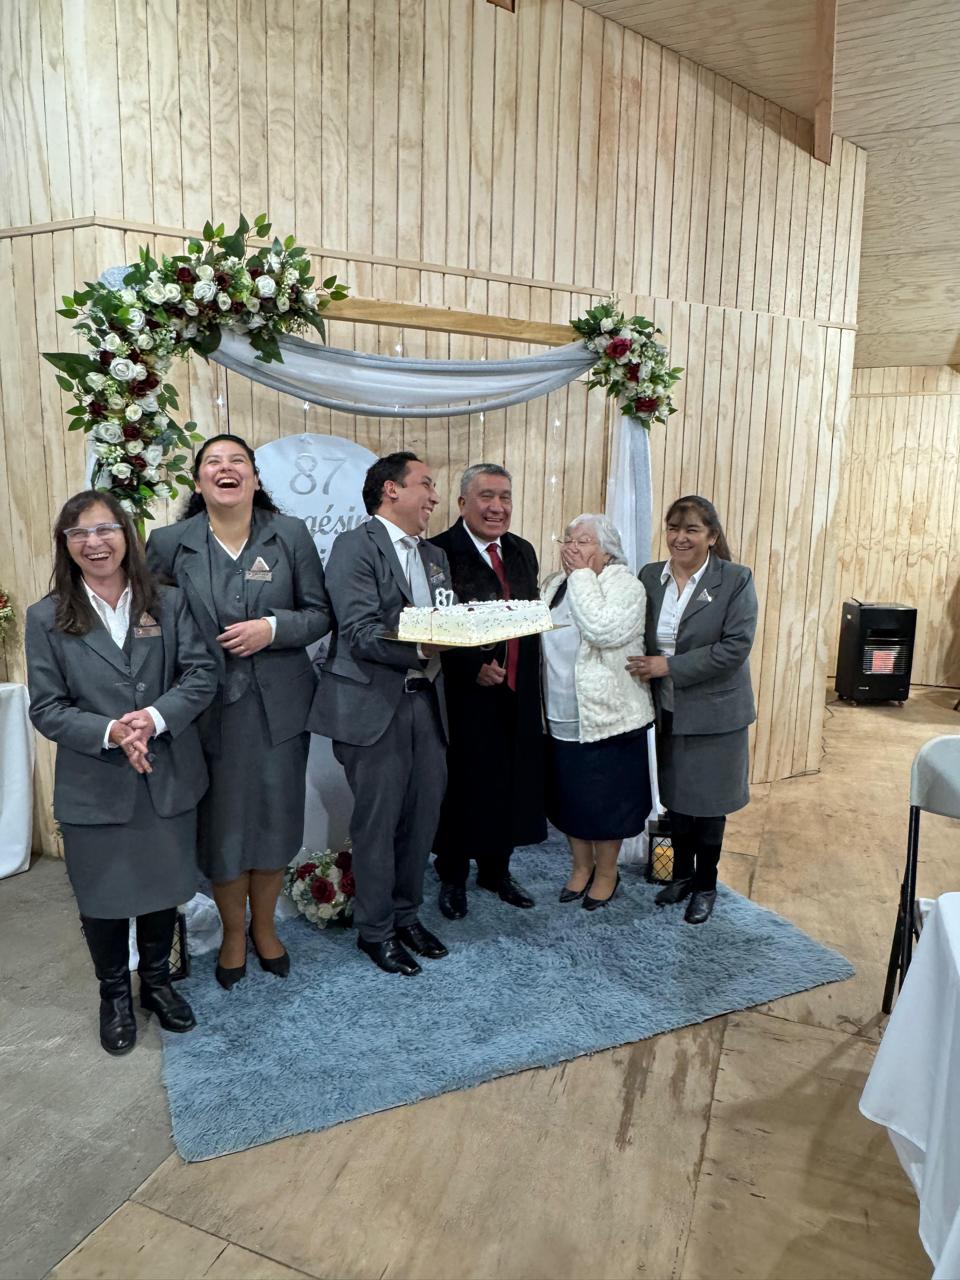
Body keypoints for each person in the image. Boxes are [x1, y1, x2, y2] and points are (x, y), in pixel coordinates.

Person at [25, 491, 218, 1054]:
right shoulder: (46, 617)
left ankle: (155, 983)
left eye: (105, 529)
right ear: (66, 544)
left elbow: (201, 674)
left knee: (163, 887)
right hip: (96, 783)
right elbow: (47, 707)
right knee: (102, 896)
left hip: (167, 773)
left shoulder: (169, 602)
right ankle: (113, 995)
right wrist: (112, 731)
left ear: (127, 535)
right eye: (79, 533)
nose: (94, 542)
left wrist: (154, 719)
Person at [146, 433, 330, 987]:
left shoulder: (289, 534)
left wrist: (272, 628)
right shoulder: (169, 543)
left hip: (280, 709)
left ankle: (265, 928)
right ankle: (232, 934)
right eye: (213, 462)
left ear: (254, 476)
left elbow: (319, 613)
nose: (225, 469)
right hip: (205, 711)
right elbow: (151, 629)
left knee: (275, 819)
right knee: (222, 827)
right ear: (198, 480)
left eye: (237, 461)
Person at [308, 451, 453, 976]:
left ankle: (407, 915)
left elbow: (447, 620)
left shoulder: (435, 555)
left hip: (427, 704)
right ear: (391, 489)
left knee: (422, 820)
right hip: (372, 709)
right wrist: (424, 648)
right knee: (377, 824)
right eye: (425, 484)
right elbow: (359, 631)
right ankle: (376, 931)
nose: (434, 496)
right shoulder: (355, 545)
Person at [631, 495, 758, 925]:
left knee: (708, 805)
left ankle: (706, 885)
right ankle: (682, 875)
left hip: (716, 714)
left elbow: (734, 648)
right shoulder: (650, 576)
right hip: (667, 708)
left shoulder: (735, 579)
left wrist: (668, 666)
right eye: (673, 528)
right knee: (677, 800)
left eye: (692, 529)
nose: (680, 538)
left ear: (712, 536)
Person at [429, 464, 545, 920]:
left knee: (509, 782)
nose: (497, 507)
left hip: (518, 691)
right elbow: (431, 623)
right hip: (464, 695)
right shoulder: (438, 552)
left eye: (505, 497)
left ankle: (497, 870)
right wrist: (470, 667)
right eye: (486, 496)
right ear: (462, 503)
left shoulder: (522, 551)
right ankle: (452, 874)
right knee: (462, 786)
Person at [541, 514, 654, 909]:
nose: (572, 547)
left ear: (608, 552)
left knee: (607, 801)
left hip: (608, 716)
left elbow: (601, 629)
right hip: (559, 710)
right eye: (568, 539)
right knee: (570, 797)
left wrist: (582, 577)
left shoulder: (626, 586)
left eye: (584, 541)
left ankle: (607, 872)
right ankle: (580, 866)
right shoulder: (554, 584)